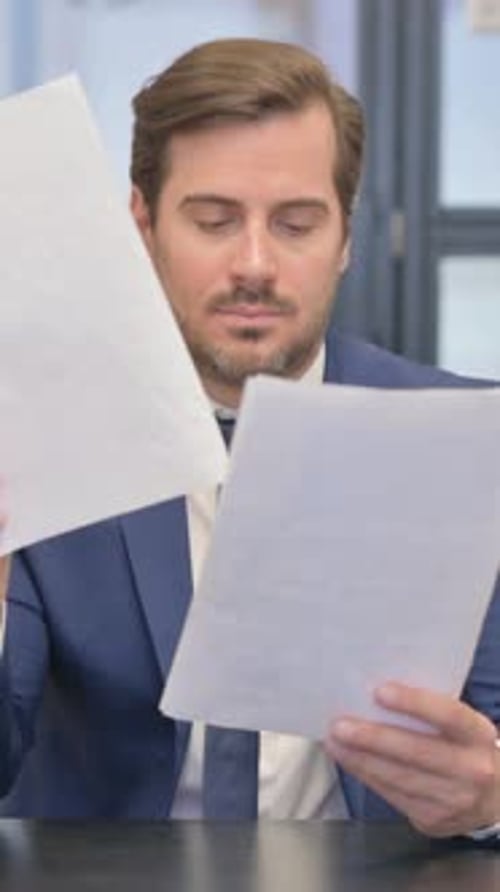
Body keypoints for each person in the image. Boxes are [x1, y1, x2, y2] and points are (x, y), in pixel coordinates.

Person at [0, 37, 499, 836]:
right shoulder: (41, 444)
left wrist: (491, 800)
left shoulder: (465, 442)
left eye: (297, 224)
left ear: (346, 239)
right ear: (142, 226)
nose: (256, 264)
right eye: (214, 220)